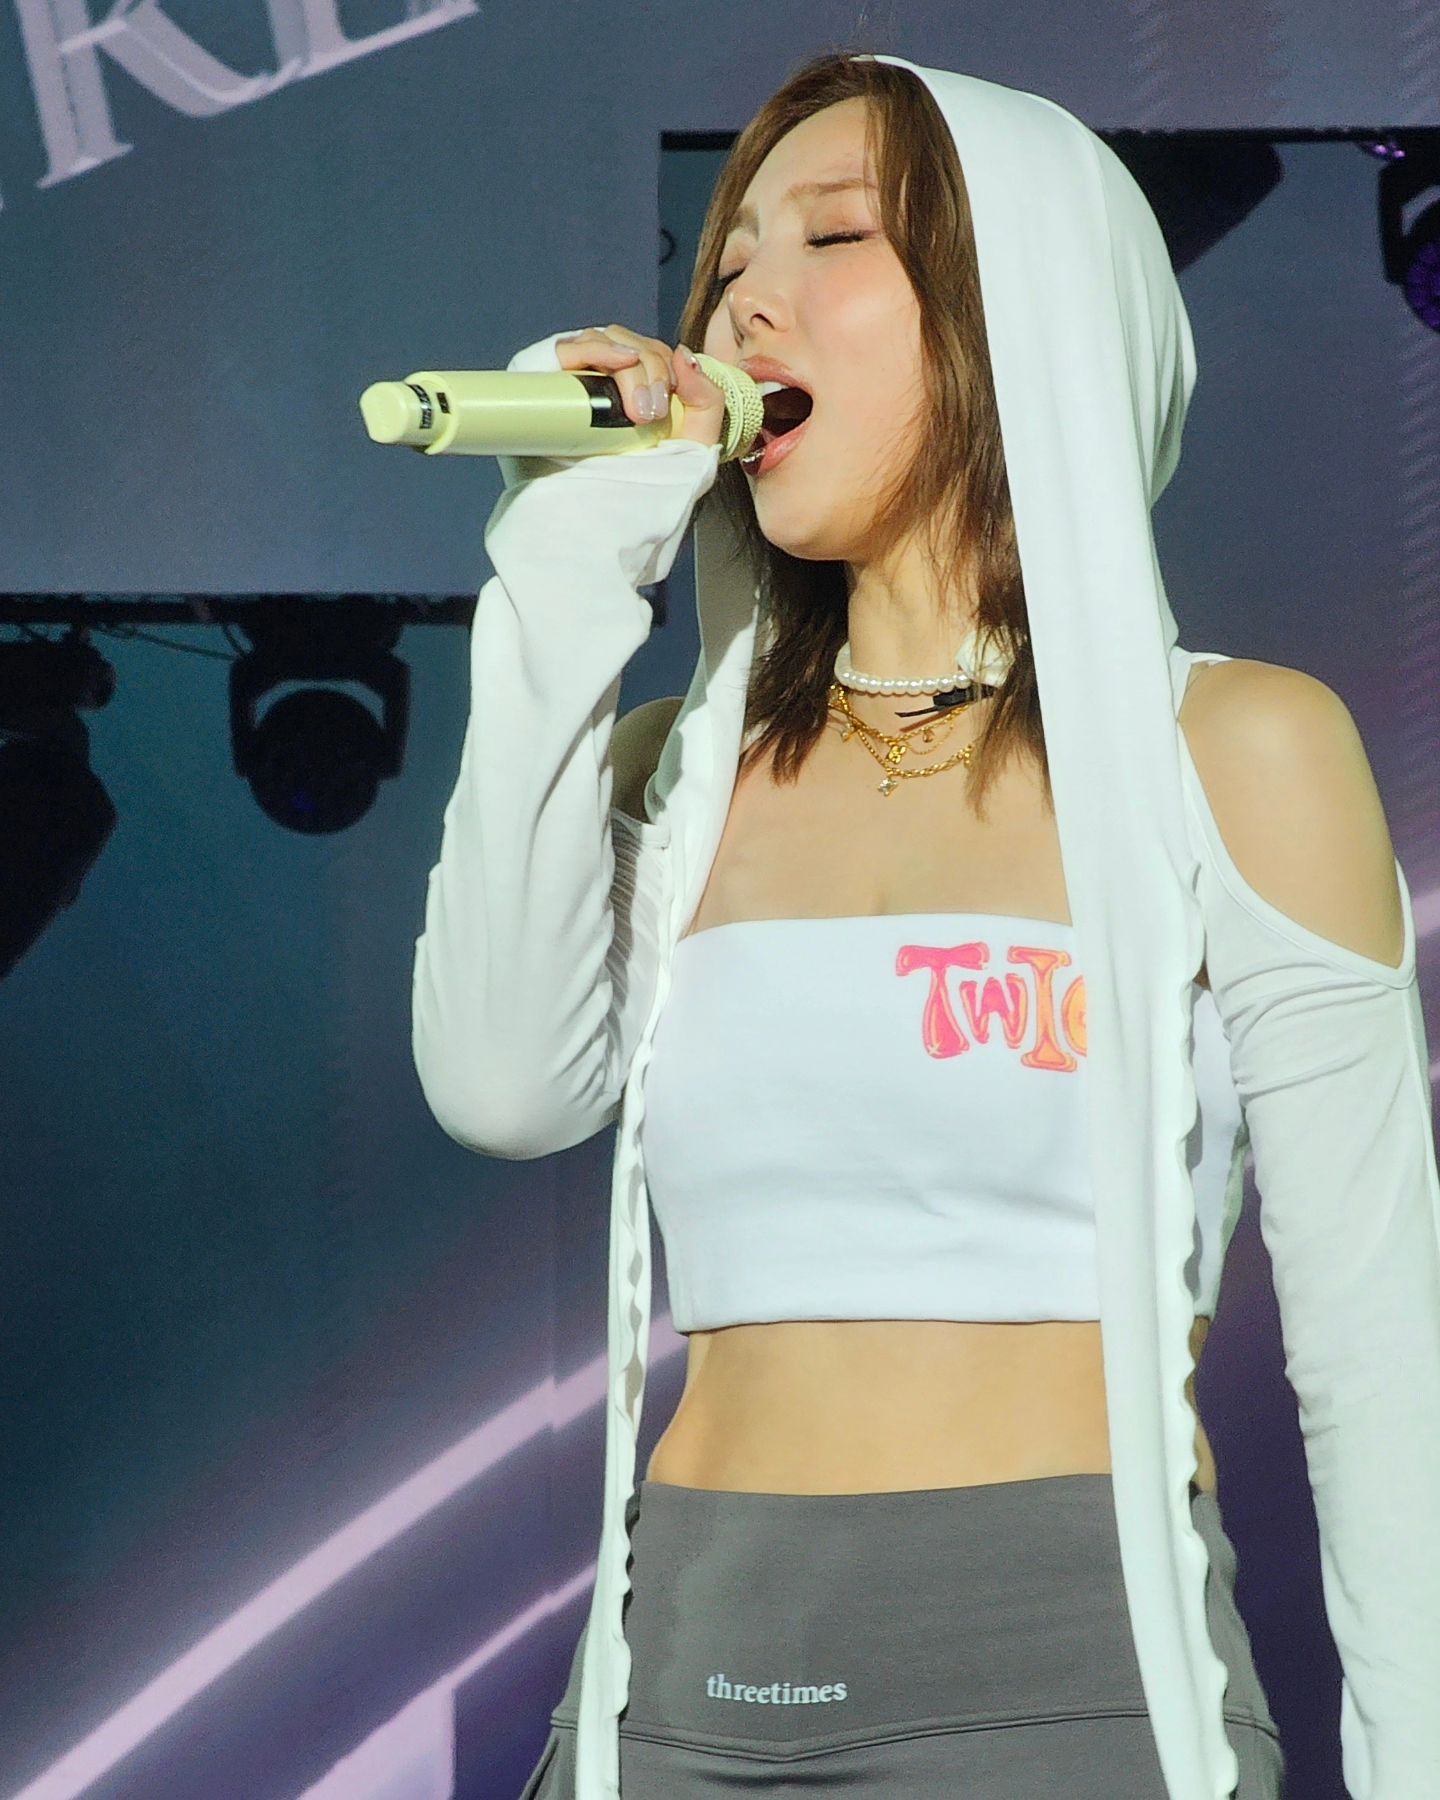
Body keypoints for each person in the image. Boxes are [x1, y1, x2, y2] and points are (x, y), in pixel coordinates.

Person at [412, 47, 1440, 1800]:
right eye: (730, 259)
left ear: (1016, 305)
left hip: (1063, 1686)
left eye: (833, 239)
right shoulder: (679, 776)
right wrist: (564, 567)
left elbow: (1380, 1355)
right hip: (670, 1689)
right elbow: (503, 1089)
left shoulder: (1232, 749)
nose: (748, 301)